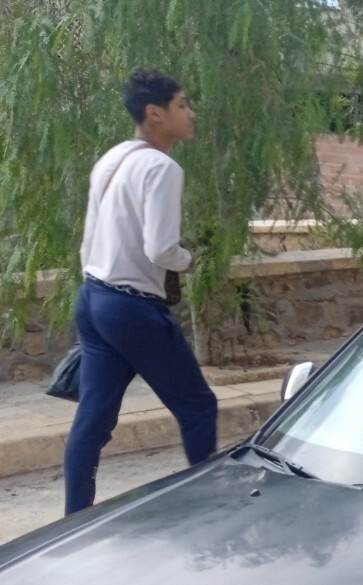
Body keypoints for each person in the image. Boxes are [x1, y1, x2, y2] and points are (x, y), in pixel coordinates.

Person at [65, 68, 216, 515]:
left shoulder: (111, 160)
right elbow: (161, 247)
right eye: (183, 105)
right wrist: (190, 261)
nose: (191, 113)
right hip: (131, 307)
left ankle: (75, 517)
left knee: (93, 421)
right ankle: (210, 509)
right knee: (198, 406)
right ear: (155, 113)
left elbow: (89, 240)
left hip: (93, 299)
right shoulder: (161, 167)